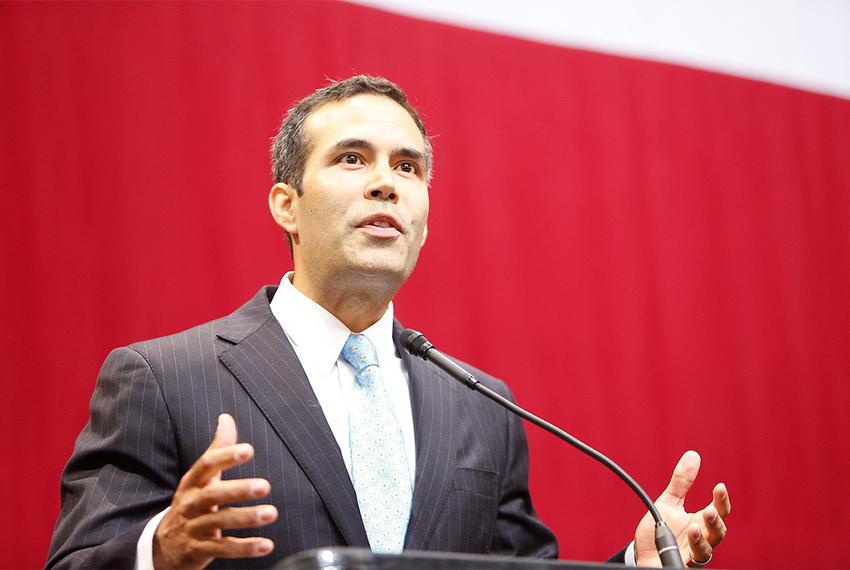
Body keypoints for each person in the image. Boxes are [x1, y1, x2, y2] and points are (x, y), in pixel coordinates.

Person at [47, 76, 729, 569]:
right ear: (287, 204)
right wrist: (158, 553)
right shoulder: (164, 379)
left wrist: (639, 564)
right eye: (352, 159)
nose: (387, 183)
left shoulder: (481, 407)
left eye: (409, 167)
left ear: (424, 219)